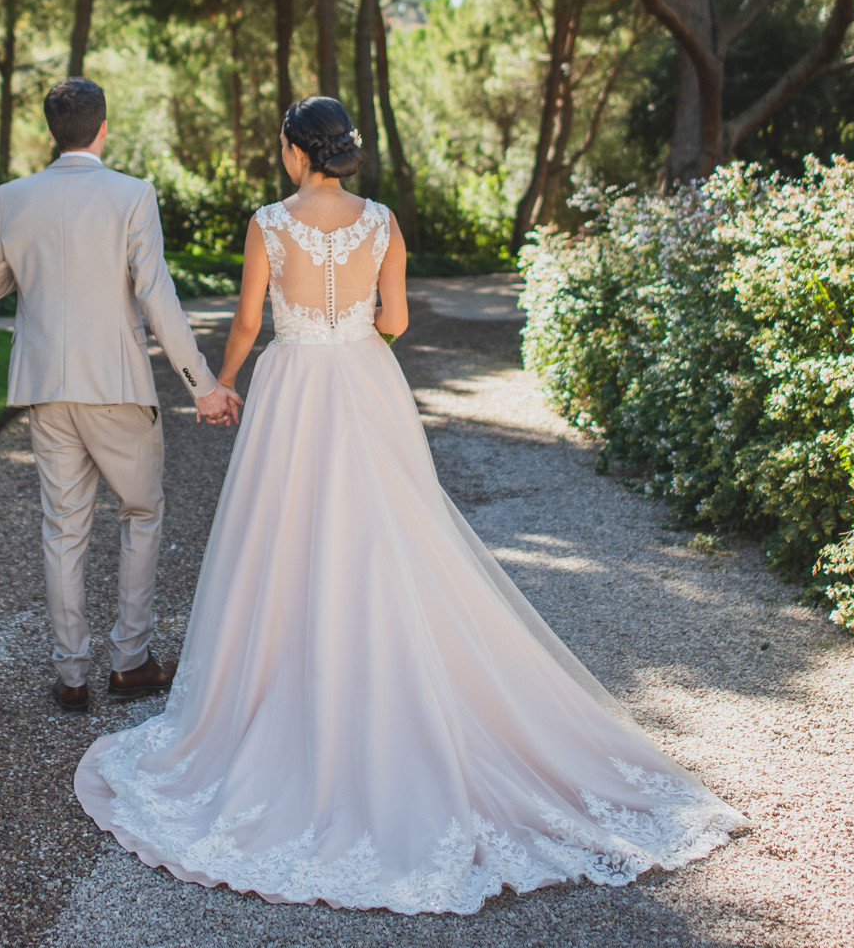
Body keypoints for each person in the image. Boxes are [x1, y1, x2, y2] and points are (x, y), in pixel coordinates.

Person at [73, 96, 745, 914]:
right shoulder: (382, 220)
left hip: (292, 391)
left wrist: (222, 384)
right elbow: (394, 318)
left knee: (283, 538)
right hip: (364, 381)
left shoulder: (268, 222)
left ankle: (288, 685)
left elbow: (249, 318)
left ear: (294, 150)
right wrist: (353, 336)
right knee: (389, 531)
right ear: (343, 150)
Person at [0, 78, 242, 712]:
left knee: (63, 528)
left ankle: (70, 675)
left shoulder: (13, 198)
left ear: (53, 132)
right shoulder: (132, 195)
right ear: (103, 127)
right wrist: (203, 385)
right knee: (141, 512)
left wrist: (30, 268)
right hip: (116, 388)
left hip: (45, 389)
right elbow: (158, 297)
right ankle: (131, 660)